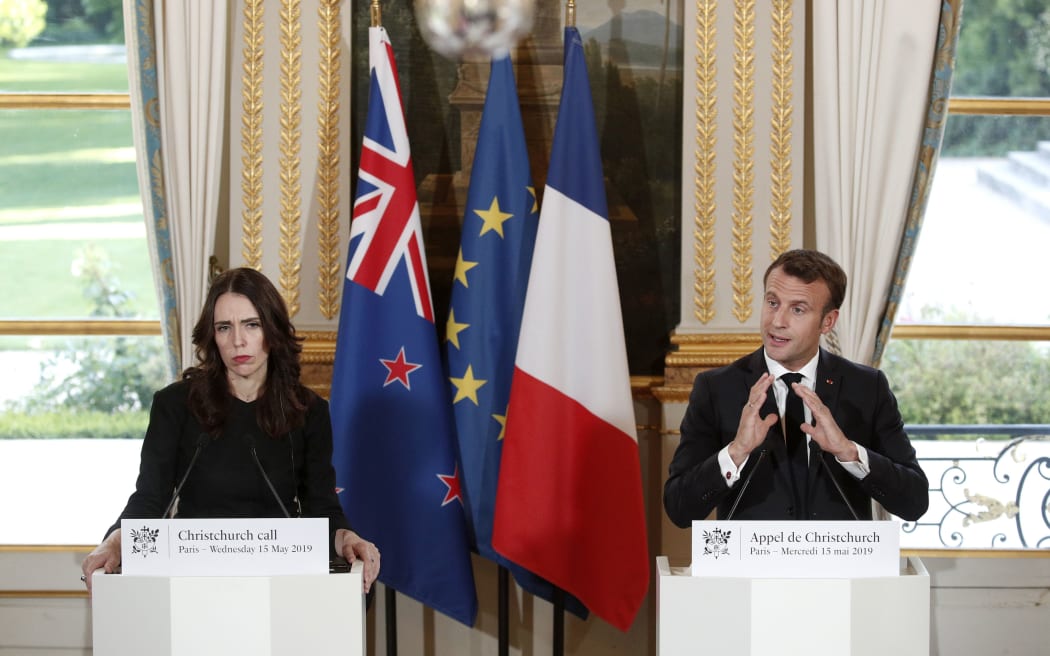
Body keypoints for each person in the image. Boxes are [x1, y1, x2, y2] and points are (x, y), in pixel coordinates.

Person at [81, 267, 380, 592]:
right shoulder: (175, 406)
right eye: (225, 327)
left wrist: (348, 538)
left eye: (252, 325)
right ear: (213, 336)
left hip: (279, 580)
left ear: (273, 330)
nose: (238, 340)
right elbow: (150, 501)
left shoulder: (307, 412)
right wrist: (113, 542)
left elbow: (321, 509)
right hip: (190, 579)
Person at [664, 249, 929, 525]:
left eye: (798, 309)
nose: (777, 321)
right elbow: (679, 509)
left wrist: (849, 452)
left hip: (841, 565)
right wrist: (736, 452)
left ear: (828, 321)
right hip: (750, 567)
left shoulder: (866, 387)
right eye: (772, 302)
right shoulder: (716, 388)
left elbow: (914, 503)